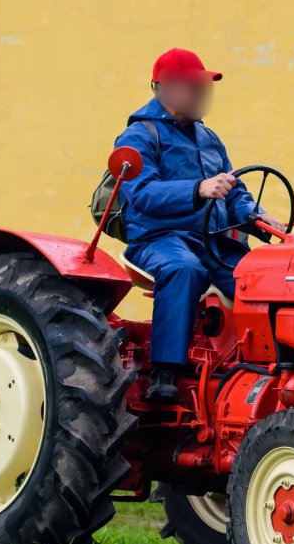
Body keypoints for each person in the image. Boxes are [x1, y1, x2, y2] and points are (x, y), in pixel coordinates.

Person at [115, 48, 279, 403]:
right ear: (167, 88)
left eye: (203, 87)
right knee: (183, 267)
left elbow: (233, 192)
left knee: (263, 277)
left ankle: (273, 367)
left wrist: (259, 218)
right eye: (195, 86)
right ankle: (165, 371)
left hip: (212, 242)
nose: (202, 95)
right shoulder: (139, 136)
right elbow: (140, 193)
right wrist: (197, 189)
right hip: (159, 239)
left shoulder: (209, 139)